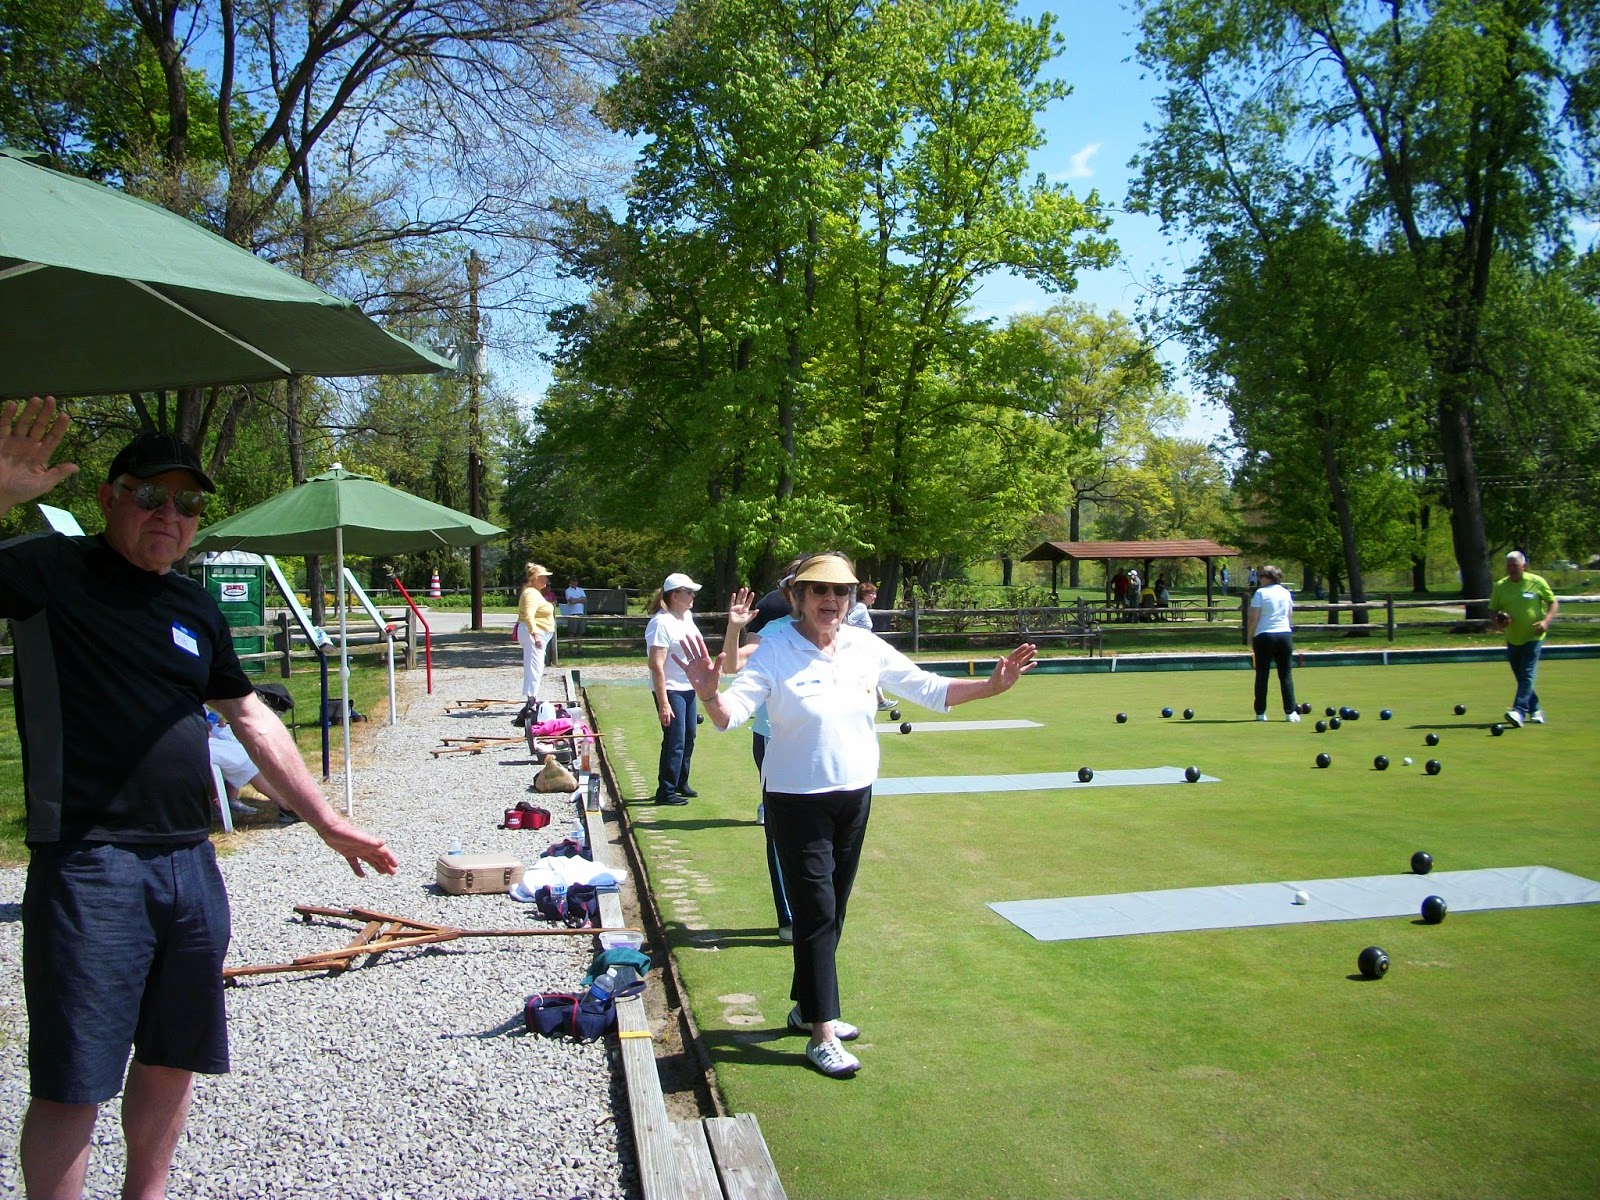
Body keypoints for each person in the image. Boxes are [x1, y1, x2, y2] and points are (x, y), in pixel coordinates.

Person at [0, 397, 398, 1200]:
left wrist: (326, 819)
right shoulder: (50, 571)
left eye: (187, 504)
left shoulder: (192, 605)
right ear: (111, 496)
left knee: (174, 1053)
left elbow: (249, 716)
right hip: (88, 862)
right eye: (152, 495)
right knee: (76, 1078)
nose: (170, 515)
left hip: (188, 862)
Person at [675, 551, 1037, 1078]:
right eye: (819, 591)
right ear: (798, 597)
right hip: (795, 799)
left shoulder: (865, 646)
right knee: (816, 909)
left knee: (833, 908)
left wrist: (990, 686)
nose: (831, 601)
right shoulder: (775, 646)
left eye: (840, 592)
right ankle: (823, 1032)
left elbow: (929, 689)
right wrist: (709, 695)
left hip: (855, 794)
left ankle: (805, 1007)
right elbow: (732, 715)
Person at [645, 572, 703, 806]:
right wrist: (664, 703)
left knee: (689, 735)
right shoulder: (660, 622)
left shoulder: (686, 616)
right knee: (675, 739)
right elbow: (656, 665)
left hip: (687, 686)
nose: (692, 596)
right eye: (688, 592)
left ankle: (680, 781)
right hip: (669, 688)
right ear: (674, 595)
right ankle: (666, 790)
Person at [1489, 550, 1558, 727]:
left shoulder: (1536, 582)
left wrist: (1546, 622)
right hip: (1513, 637)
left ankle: (1518, 711)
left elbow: (1553, 602)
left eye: (1515, 565)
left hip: (1533, 636)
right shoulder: (1500, 586)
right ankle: (1535, 709)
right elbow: (1493, 609)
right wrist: (1498, 622)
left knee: (1527, 673)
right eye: (1509, 566)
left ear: (1524, 566)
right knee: (1521, 676)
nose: (1512, 569)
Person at [1247, 564, 1299, 722]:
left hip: (1264, 636)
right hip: (1284, 635)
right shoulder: (1285, 592)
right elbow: (1289, 614)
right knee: (1285, 675)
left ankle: (1260, 713)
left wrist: (1250, 636)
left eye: (1261, 576)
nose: (1258, 578)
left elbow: (1254, 616)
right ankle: (1290, 713)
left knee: (1262, 675)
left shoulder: (1260, 593)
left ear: (1269, 577)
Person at [516, 562, 556, 702]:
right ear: (534, 578)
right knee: (535, 666)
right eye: (543, 577)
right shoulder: (531, 593)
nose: (546, 579)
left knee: (536, 665)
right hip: (533, 633)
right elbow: (528, 615)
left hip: (538, 632)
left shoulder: (535, 593)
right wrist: (536, 635)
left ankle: (532, 696)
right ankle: (531, 699)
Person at [563, 575, 587, 642]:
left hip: (581, 613)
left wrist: (576, 600)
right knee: (571, 632)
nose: (575, 582)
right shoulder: (568, 590)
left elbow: (585, 600)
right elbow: (571, 601)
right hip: (572, 613)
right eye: (573, 581)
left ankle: (580, 649)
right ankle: (570, 649)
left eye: (576, 581)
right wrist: (580, 599)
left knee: (580, 632)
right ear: (570, 581)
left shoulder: (581, 590)